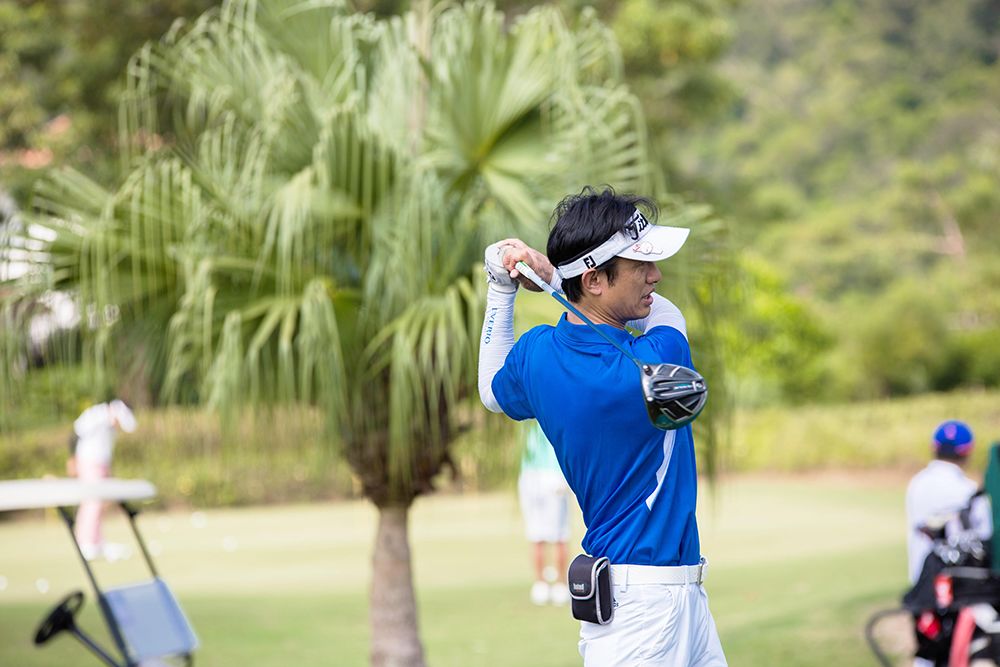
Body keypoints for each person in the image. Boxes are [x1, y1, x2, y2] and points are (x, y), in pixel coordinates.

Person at [478, 186, 726, 666]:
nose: (656, 277)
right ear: (594, 280)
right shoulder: (654, 360)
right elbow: (668, 315)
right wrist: (555, 276)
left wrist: (502, 286)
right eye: (641, 267)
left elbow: (491, 389)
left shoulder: (537, 354)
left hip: (658, 602)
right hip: (643, 614)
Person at [906, 420, 992, 586]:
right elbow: (986, 534)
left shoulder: (916, 484)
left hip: (921, 583)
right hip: (963, 584)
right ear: (968, 451)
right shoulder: (969, 490)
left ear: (934, 447)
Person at [68, 398, 137, 561]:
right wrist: (72, 459)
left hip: (101, 464)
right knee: (92, 502)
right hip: (89, 463)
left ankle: (96, 541)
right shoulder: (97, 415)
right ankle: (86, 544)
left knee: (99, 504)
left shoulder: (110, 425)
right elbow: (75, 434)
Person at [519, 420, 571, 606]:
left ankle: (541, 584)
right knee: (559, 534)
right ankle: (558, 585)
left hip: (530, 475)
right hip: (552, 473)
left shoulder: (525, 403)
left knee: (536, 533)